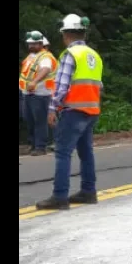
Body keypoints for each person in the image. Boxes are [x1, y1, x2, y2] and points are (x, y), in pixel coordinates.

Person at [36, 14, 104, 211]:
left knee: (63, 153)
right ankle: (88, 192)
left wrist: (52, 108)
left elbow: (61, 86)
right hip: (91, 109)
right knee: (86, 153)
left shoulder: (71, 54)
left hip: (74, 110)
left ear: (66, 34)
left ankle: (59, 196)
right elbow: (99, 85)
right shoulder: (94, 55)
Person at [19, 31, 57, 156]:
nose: (30, 46)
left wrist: (34, 82)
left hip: (40, 94)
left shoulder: (45, 57)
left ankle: (40, 147)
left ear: (41, 44)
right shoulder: (31, 57)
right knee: (29, 119)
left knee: (39, 121)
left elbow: (45, 69)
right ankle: (34, 144)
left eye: (33, 44)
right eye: (29, 44)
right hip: (27, 93)